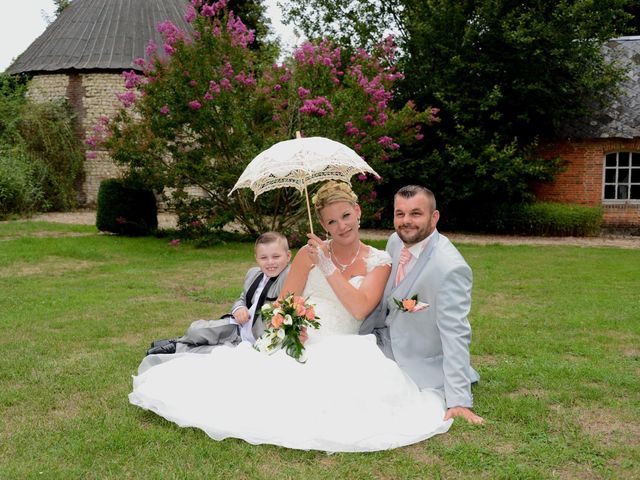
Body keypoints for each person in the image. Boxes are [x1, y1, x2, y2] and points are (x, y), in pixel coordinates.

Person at [129, 181, 454, 452]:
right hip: (300, 334)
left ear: (358, 212)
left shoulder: (379, 260)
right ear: (323, 225)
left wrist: (327, 267)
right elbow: (283, 303)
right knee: (257, 389)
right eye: (331, 222)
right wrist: (288, 324)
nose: (341, 226)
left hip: (345, 343)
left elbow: (359, 307)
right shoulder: (307, 254)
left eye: (345, 216)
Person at [360, 185, 484, 424]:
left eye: (416, 213)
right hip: (383, 339)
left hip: (415, 358)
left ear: (434, 217)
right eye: (400, 214)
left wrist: (458, 400)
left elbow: (455, 333)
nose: (406, 221)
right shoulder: (395, 241)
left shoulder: (449, 268)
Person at [140, 232, 291, 371]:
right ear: (256, 258)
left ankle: (175, 347)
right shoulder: (253, 274)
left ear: (288, 256)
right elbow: (242, 298)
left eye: (276, 257)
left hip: (253, 338)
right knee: (196, 329)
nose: (270, 262)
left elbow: (306, 266)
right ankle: (178, 340)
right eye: (263, 257)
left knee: (215, 352)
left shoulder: (287, 277)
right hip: (238, 326)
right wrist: (239, 308)